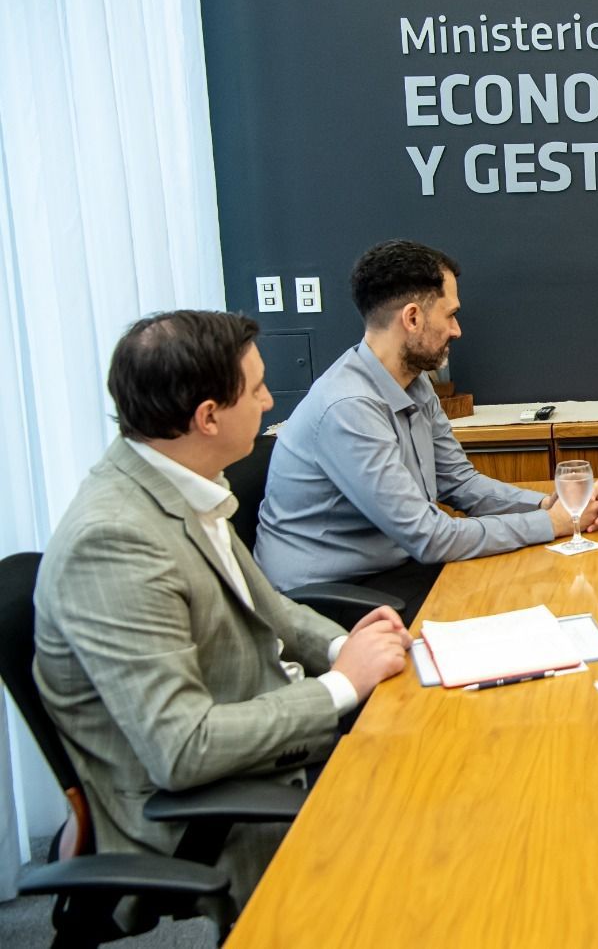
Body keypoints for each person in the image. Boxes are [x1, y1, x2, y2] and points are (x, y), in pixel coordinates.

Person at [33, 311, 411, 914]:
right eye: (257, 388)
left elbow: (275, 611)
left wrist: (345, 648)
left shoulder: (178, 478)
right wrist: (343, 685)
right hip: (214, 812)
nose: (268, 400)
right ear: (208, 417)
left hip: (273, 749)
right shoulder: (113, 542)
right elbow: (182, 748)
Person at [255, 241, 598, 619]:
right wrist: (550, 524)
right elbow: (429, 537)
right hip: (331, 597)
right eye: (451, 315)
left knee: (535, 587)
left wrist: (546, 505)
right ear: (412, 318)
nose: (457, 330)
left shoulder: (413, 381)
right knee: (514, 606)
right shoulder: (349, 407)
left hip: (396, 566)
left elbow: (459, 483)